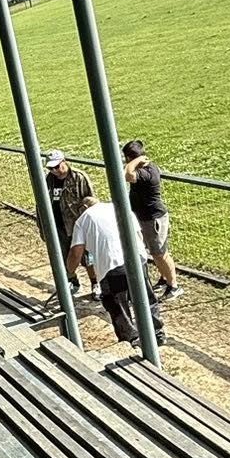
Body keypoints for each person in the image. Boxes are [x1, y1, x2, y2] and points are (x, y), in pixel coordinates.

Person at [66, 194, 162, 347]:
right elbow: (139, 234)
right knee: (146, 296)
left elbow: (75, 252)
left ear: (83, 207)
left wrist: (69, 272)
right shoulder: (119, 207)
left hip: (110, 265)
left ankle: (131, 339)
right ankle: (157, 332)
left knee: (117, 304)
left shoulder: (83, 219)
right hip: (137, 258)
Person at [122, 138, 181, 300]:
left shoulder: (147, 172)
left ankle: (174, 286)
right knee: (155, 252)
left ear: (130, 158)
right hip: (144, 218)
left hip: (153, 218)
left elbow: (127, 175)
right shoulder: (143, 170)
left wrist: (135, 162)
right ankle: (164, 279)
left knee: (160, 253)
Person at [42, 148, 92, 250]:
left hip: (77, 228)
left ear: (64, 161)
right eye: (50, 168)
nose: (54, 171)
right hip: (57, 228)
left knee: (85, 258)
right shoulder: (48, 180)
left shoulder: (79, 178)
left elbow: (91, 202)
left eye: (56, 167)